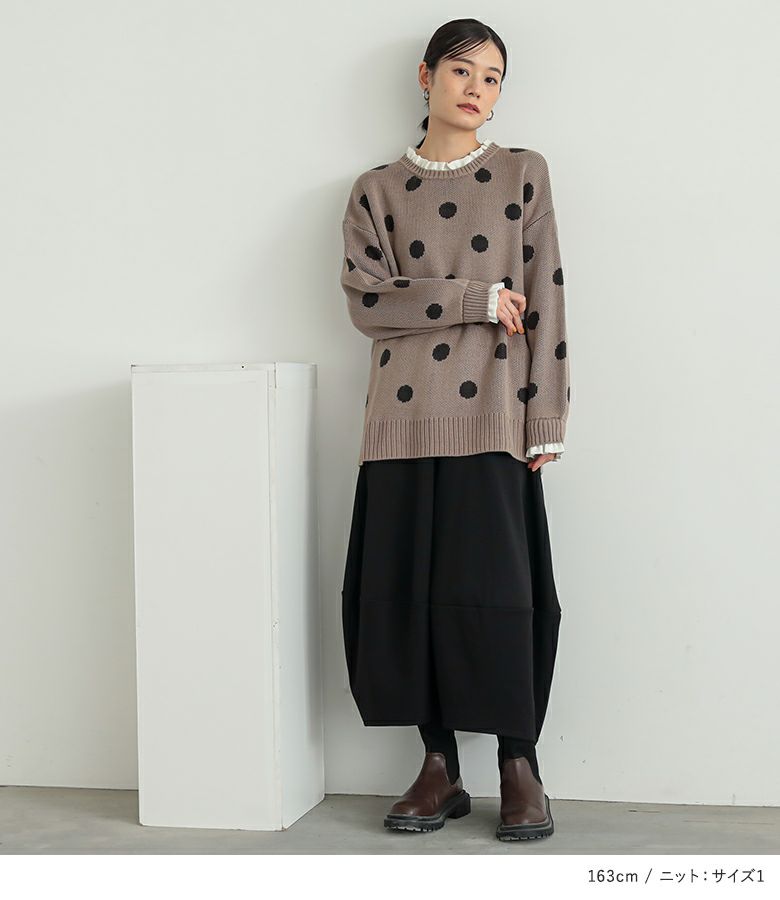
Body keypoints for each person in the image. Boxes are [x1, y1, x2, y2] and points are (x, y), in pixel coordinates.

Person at [339, 18, 570, 842]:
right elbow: (368, 301)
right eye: (463, 71)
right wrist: (475, 298)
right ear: (427, 76)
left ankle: (518, 763)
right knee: (405, 598)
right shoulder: (375, 189)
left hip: (493, 417)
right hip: (399, 422)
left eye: (493, 77)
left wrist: (547, 413)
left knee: (501, 598)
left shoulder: (521, 173)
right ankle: (438, 765)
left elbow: (545, 295)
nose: (477, 89)